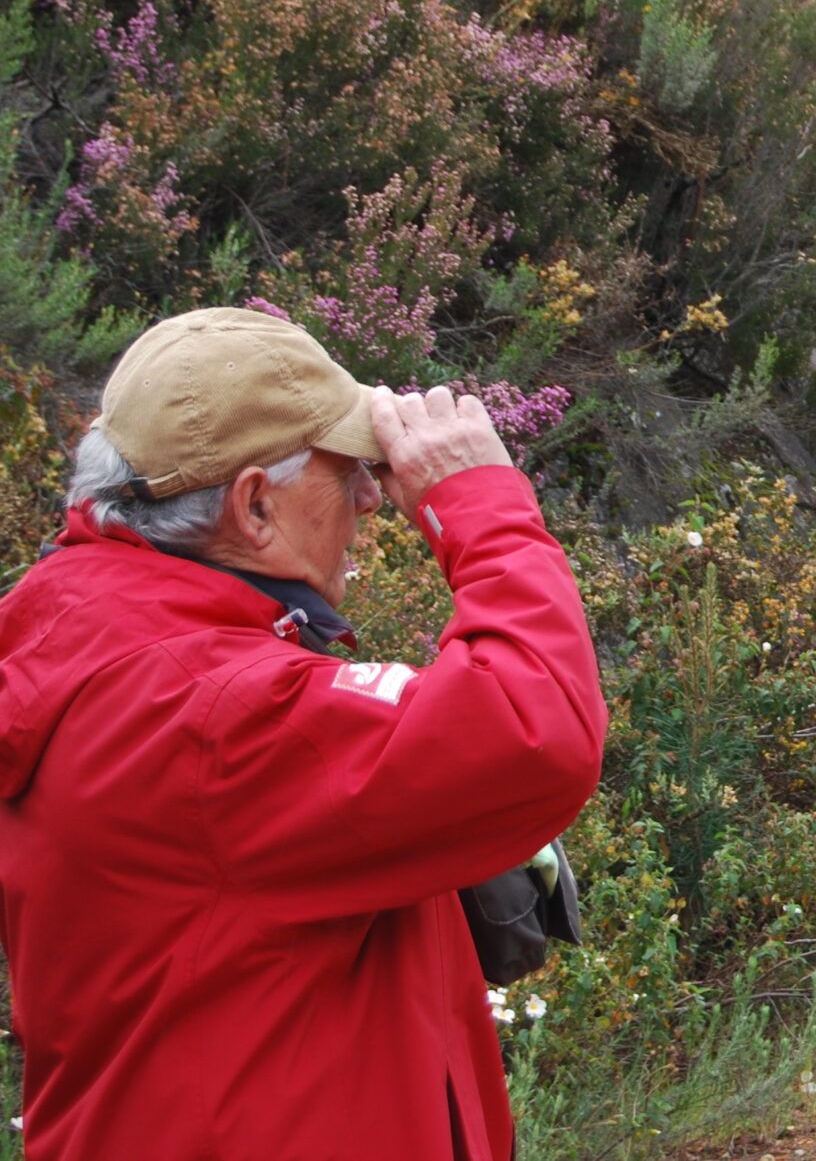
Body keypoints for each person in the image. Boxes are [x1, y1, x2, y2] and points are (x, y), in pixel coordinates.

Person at [0, 308, 607, 1161]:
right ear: (253, 506)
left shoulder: (93, 644)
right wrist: (481, 510)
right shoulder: (214, 712)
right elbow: (531, 729)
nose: (369, 495)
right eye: (346, 471)